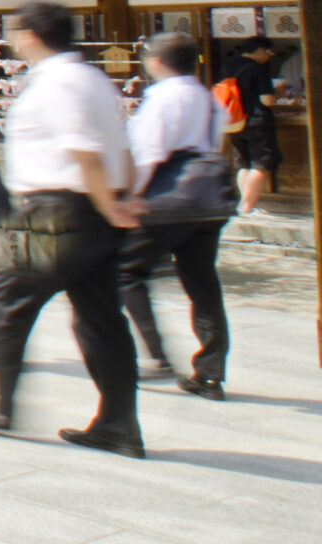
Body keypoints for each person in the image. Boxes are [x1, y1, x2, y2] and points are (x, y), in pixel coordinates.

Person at [0, 0, 143, 457]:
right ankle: (119, 424)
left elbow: (84, 150)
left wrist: (108, 201)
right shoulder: (93, 79)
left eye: (17, 31)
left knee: (2, 301)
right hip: (92, 212)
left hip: (53, 211)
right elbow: (120, 149)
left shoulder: (57, 82)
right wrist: (124, 198)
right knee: (101, 321)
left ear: (33, 35)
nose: (14, 40)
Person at [118, 32, 229, 400]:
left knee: (126, 271)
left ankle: (157, 355)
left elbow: (150, 152)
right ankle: (210, 372)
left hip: (170, 196)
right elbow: (216, 141)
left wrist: (132, 197)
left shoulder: (163, 98)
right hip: (208, 198)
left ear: (157, 61)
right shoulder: (208, 98)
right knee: (202, 281)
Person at [223, 35, 281, 214]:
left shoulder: (227, 67)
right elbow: (267, 100)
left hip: (233, 122)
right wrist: (277, 91)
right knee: (260, 164)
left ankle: (245, 203)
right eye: (269, 52)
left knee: (243, 163)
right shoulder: (258, 69)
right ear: (260, 50)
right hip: (256, 122)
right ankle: (246, 206)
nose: (270, 56)